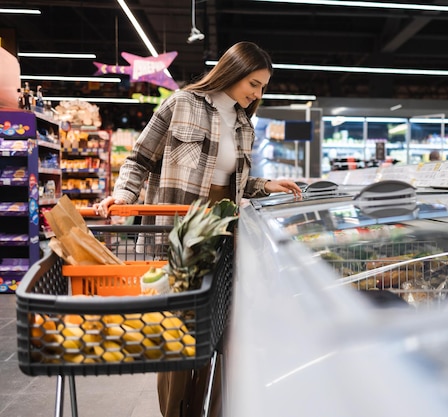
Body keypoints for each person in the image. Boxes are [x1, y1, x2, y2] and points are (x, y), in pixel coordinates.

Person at [95, 41, 302, 417]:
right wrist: (120, 197)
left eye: (262, 87)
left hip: (225, 233)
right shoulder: (181, 104)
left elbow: (233, 182)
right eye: (253, 84)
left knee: (215, 334)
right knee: (176, 336)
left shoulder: (243, 124)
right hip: (178, 234)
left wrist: (266, 186)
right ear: (233, 72)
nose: (257, 94)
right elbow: (138, 159)